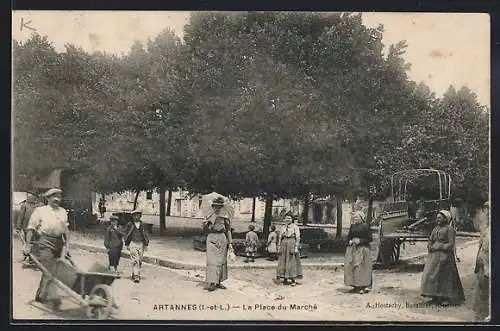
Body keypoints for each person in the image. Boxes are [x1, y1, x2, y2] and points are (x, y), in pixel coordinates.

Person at [25, 188, 69, 310]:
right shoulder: (40, 211)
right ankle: (48, 296)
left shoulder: (63, 211)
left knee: (56, 270)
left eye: (59, 197)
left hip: (59, 242)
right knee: (49, 270)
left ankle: (42, 294)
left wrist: (67, 246)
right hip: (45, 242)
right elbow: (31, 228)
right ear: (48, 198)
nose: (57, 199)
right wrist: (27, 245)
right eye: (54, 197)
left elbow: (66, 231)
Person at [420, 210, 465, 305]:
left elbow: (450, 244)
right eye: (437, 218)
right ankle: (435, 296)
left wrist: (439, 247)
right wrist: (430, 245)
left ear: (445, 219)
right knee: (431, 275)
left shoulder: (450, 230)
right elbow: (430, 239)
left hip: (446, 257)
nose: (437, 220)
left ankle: (445, 298)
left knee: (444, 277)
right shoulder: (435, 229)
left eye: (440, 218)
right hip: (434, 257)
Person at [203, 197, 233, 291]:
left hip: (222, 239)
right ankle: (212, 282)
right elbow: (204, 231)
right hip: (211, 238)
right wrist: (205, 224)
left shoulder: (225, 217)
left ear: (222, 207)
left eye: (219, 206)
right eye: (215, 206)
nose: (217, 208)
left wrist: (230, 243)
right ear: (212, 206)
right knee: (212, 261)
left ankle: (219, 281)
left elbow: (228, 230)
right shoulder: (208, 216)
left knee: (221, 261)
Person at [344, 210, 373, 294]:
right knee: (353, 267)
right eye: (354, 217)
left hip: (363, 249)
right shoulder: (352, 226)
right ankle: (355, 286)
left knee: (362, 268)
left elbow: (369, 239)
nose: (355, 218)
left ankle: (365, 286)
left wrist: (360, 241)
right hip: (353, 249)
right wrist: (349, 241)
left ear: (361, 218)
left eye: (357, 217)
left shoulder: (365, 226)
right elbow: (349, 237)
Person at [15, 192, 45, 267]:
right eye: (29, 195)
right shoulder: (25, 204)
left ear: (35, 196)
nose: (30, 196)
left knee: (37, 243)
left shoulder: (41, 205)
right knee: (28, 243)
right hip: (27, 227)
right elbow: (21, 216)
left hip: (38, 228)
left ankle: (36, 258)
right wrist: (18, 227)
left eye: (32, 194)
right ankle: (30, 258)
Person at [473, 202, 490, 322]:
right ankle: (480, 316)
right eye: (486, 211)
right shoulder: (485, 229)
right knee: (481, 290)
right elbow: (480, 247)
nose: (488, 214)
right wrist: (477, 263)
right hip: (482, 263)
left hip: (490, 263)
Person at [124, 210, 149, 283]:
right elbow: (126, 234)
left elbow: (145, 235)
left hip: (141, 243)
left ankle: (135, 272)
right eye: (134, 215)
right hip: (133, 243)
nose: (136, 217)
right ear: (132, 216)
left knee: (140, 260)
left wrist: (146, 244)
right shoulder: (130, 224)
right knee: (135, 260)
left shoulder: (143, 225)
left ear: (140, 216)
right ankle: (136, 276)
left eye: (138, 215)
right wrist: (127, 244)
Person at [276, 214, 300, 286]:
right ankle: (285, 278)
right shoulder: (282, 227)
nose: (288, 219)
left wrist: (296, 247)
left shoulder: (295, 227)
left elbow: (298, 238)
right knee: (283, 261)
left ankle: (293, 279)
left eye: (289, 218)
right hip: (283, 245)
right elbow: (280, 237)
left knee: (291, 261)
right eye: (286, 218)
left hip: (291, 244)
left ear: (292, 219)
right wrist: (279, 246)